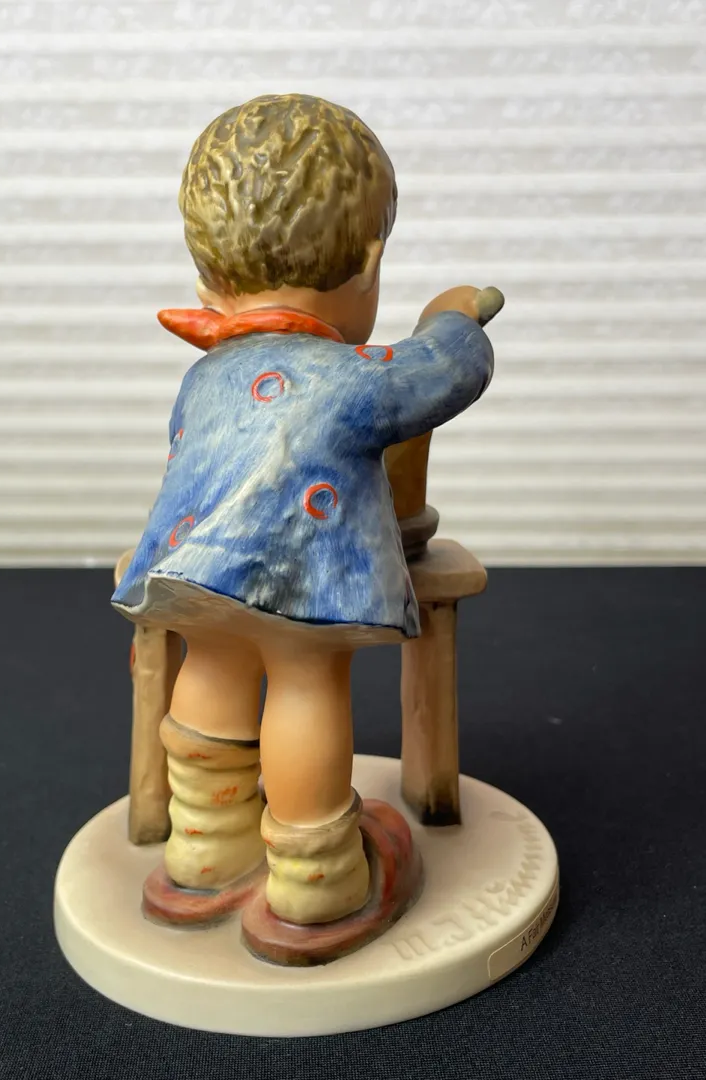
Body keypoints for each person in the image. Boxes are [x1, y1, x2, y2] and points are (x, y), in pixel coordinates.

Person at [112, 93, 501, 962]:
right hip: (301, 579)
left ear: (208, 282)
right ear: (369, 262)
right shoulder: (353, 376)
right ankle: (315, 881)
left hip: (188, 567)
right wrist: (452, 316)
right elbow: (447, 372)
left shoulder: (205, 375)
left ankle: (205, 853)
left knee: (214, 661)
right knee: (303, 681)